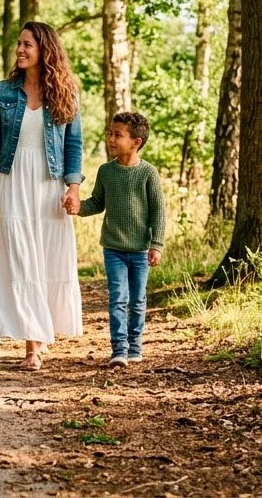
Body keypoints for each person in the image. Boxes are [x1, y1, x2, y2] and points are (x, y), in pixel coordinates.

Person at [0, 22, 84, 372]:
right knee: (20, 258)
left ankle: (39, 338)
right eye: (19, 44)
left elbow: (73, 143)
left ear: (45, 49)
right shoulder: (4, 91)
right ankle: (32, 345)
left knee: (45, 258)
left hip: (49, 184)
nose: (20, 50)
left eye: (27, 44)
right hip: (13, 180)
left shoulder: (66, 92)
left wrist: (73, 187)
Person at [72, 111, 166, 368]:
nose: (111, 139)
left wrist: (157, 245)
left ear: (136, 142)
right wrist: (77, 207)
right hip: (113, 248)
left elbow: (158, 212)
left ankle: (135, 346)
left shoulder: (148, 173)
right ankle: (119, 349)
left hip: (140, 250)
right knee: (118, 298)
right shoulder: (106, 171)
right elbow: (97, 203)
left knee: (138, 300)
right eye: (110, 134)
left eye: (117, 135)